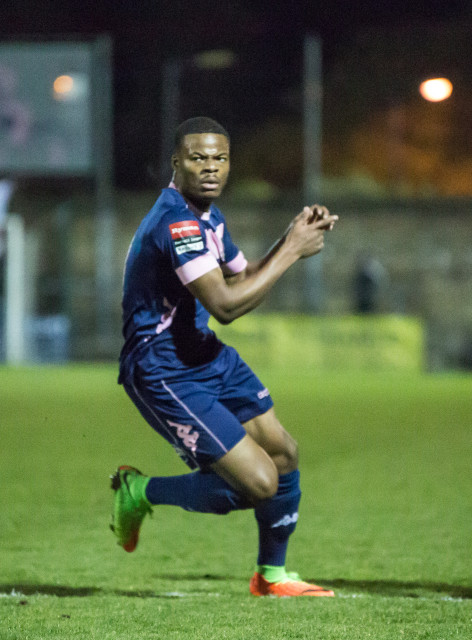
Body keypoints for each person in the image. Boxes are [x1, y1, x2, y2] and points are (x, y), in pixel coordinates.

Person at [112, 116, 338, 597]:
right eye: (198, 158)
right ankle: (138, 491)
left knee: (283, 454)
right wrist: (293, 252)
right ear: (177, 163)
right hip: (163, 368)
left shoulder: (208, 215)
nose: (211, 168)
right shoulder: (177, 223)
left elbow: (241, 276)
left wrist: (290, 234)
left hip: (204, 354)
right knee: (259, 483)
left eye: (220, 158)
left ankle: (271, 576)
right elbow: (226, 305)